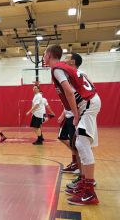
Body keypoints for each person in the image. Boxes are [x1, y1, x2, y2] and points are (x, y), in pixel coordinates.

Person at [44, 45, 101, 205]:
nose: (43, 56)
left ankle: (90, 192)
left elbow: (69, 92)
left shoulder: (57, 68)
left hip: (87, 103)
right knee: (79, 143)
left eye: (44, 54)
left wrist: (75, 115)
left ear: (49, 55)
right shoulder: (64, 68)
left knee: (82, 144)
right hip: (89, 101)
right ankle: (84, 183)